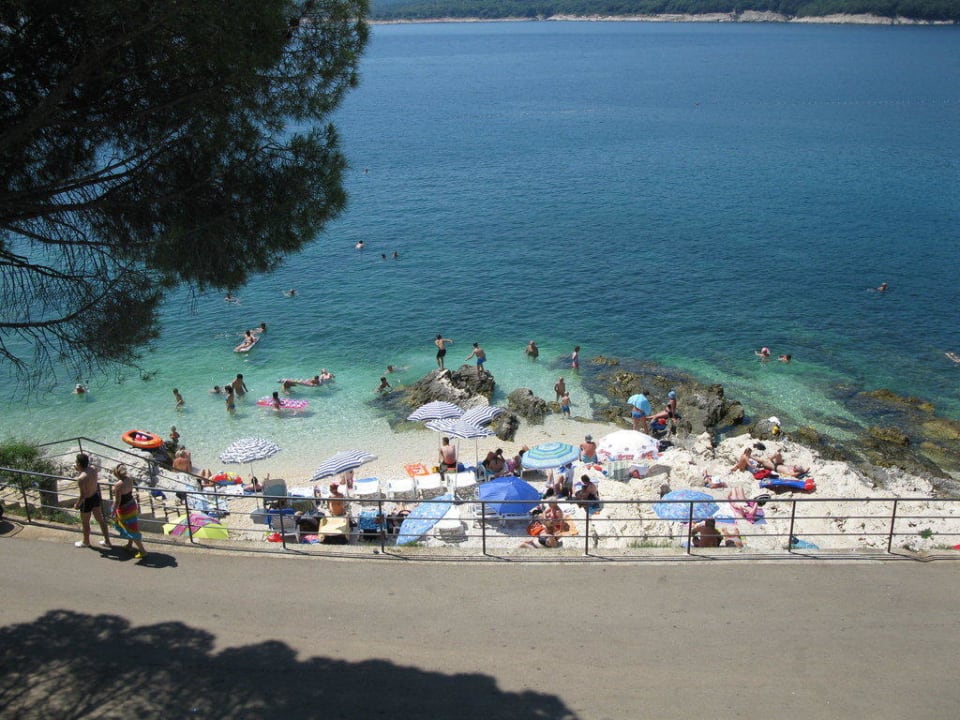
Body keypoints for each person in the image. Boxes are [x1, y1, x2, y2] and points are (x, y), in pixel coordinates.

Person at [73, 453, 111, 548]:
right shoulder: (93, 469)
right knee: (100, 519)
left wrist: (77, 504)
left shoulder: (81, 478)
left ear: (78, 464)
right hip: (95, 496)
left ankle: (86, 541)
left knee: (85, 522)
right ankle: (107, 541)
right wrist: (80, 470)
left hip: (87, 500)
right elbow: (88, 474)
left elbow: (83, 495)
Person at [110, 466, 147, 558]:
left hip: (124, 509)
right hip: (131, 504)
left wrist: (113, 511)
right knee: (131, 526)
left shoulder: (118, 485)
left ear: (116, 474)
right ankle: (130, 545)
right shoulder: (130, 478)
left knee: (131, 530)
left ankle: (143, 551)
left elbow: (118, 501)